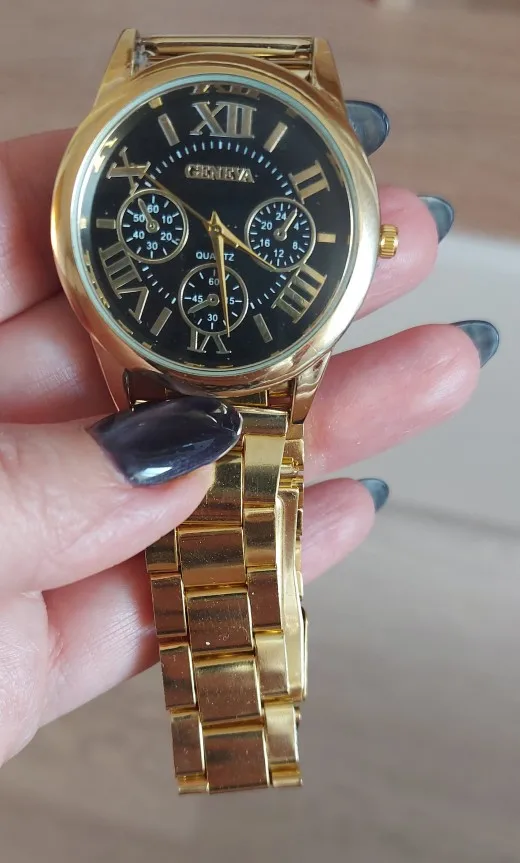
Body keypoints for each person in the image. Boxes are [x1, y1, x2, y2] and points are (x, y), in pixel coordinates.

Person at [0, 129, 498, 768]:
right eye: (207, 221)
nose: (217, 226)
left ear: (372, 243)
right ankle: (236, 734)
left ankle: (234, 733)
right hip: (143, 346)